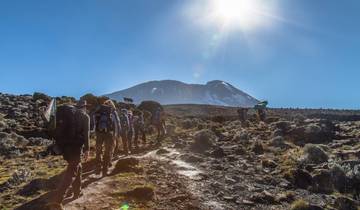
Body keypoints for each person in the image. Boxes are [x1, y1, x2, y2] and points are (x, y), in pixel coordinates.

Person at [53, 100, 90, 204]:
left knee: (78, 167)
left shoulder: (67, 115)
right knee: (72, 172)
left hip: (64, 146)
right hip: (76, 147)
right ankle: (57, 201)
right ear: (84, 107)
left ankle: (77, 192)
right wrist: (87, 149)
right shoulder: (85, 116)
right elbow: (86, 135)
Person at [93, 100, 120, 176]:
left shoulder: (99, 112)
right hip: (109, 134)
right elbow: (116, 124)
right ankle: (105, 170)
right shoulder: (113, 112)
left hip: (99, 133)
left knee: (98, 152)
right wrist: (116, 134)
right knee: (107, 152)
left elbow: (95, 122)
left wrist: (96, 132)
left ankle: (98, 168)